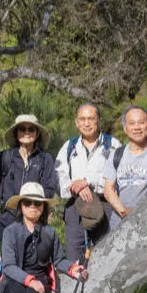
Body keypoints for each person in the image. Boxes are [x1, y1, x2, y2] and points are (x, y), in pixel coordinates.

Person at [0, 182, 85, 293]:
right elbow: (8, 266)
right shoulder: (10, 232)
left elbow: (58, 260)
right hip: (14, 280)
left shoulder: (50, 233)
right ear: (21, 206)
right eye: (27, 202)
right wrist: (29, 280)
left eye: (37, 203)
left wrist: (73, 268)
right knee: (19, 289)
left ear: (43, 207)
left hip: (39, 282)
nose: (32, 207)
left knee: (34, 291)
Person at [0, 113, 58, 235]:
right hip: (7, 223)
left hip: (35, 223)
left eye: (31, 129)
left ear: (37, 133)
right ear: (16, 133)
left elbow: (50, 189)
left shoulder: (45, 159)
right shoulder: (5, 157)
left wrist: (30, 206)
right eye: (22, 129)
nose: (27, 132)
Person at [54, 103, 120, 263]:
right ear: (76, 122)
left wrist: (87, 182)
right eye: (82, 119)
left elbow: (117, 178)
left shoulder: (114, 145)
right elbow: (59, 177)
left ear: (99, 120)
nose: (86, 123)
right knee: (74, 258)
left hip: (105, 206)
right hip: (74, 207)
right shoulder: (69, 147)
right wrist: (75, 187)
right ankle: (77, 287)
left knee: (106, 254)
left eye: (91, 118)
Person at [103, 106, 147, 230]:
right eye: (132, 123)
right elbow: (108, 190)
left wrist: (140, 214)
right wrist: (124, 211)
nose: (137, 127)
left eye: (141, 123)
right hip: (118, 224)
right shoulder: (115, 155)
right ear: (125, 128)